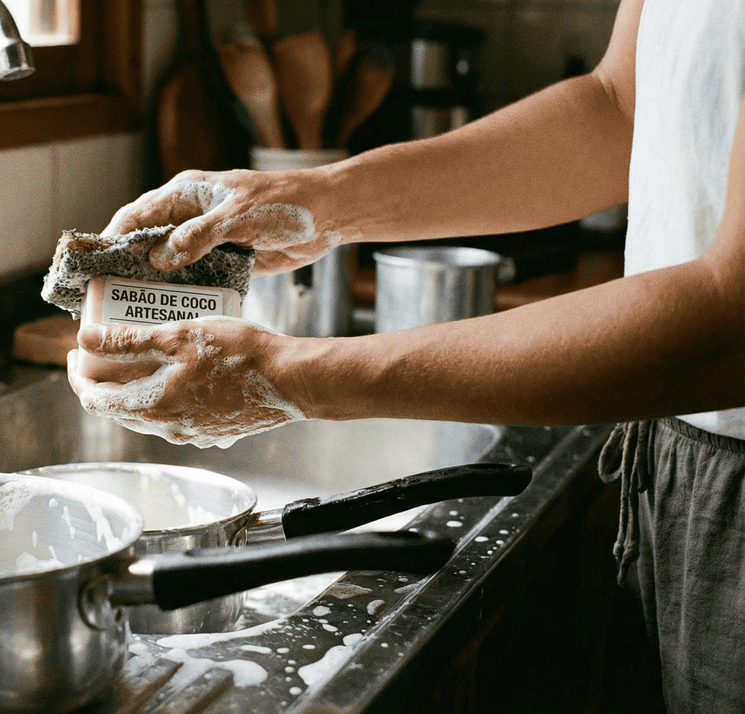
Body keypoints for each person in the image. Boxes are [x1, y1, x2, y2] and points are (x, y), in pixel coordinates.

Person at [66, 0, 745, 710]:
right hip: (672, 454)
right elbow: (618, 108)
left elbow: (733, 321)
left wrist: (291, 376)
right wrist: (320, 200)